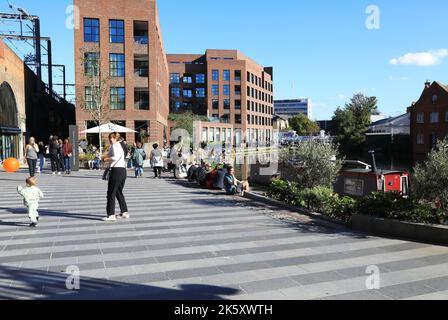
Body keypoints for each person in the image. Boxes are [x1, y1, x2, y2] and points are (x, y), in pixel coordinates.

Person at [103, 132, 129, 222]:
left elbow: (115, 157)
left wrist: (106, 159)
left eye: (112, 138)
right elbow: (112, 154)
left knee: (111, 193)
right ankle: (124, 212)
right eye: (110, 138)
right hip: (123, 171)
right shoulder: (120, 146)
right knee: (118, 192)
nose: (110, 139)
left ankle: (111, 215)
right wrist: (105, 155)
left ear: (115, 138)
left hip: (116, 171)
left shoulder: (115, 146)